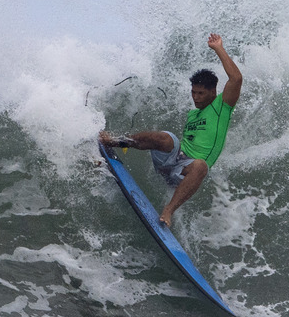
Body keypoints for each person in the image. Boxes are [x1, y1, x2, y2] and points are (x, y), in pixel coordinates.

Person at [99, 32, 243, 227]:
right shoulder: (193, 114)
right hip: (169, 161)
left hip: (183, 172)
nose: (196, 97)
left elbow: (236, 79)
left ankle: (168, 210)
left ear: (213, 92)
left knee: (201, 166)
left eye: (201, 93)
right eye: (193, 92)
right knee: (166, 138)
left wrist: (218, 48)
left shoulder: (221, 108)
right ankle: (116, 141)